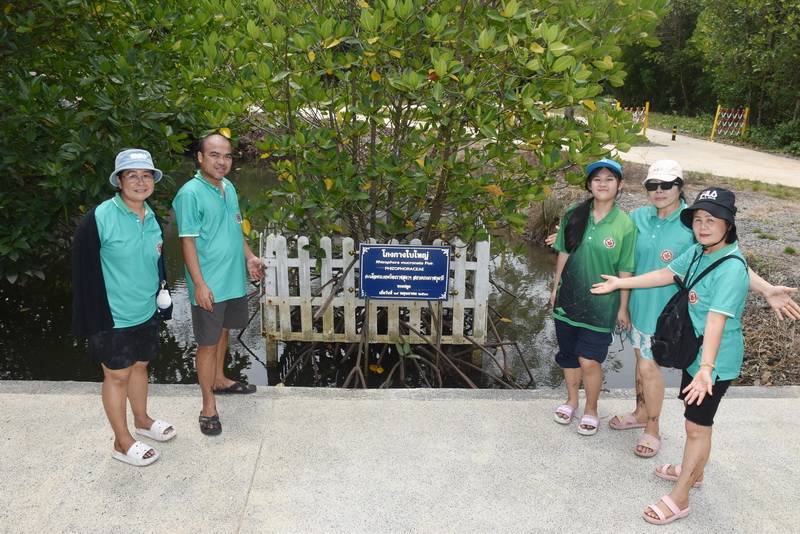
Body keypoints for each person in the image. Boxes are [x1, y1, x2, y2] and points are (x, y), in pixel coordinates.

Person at [548, 160, 800, 456]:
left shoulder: (695, 221)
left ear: (680, 187)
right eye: (653, 185)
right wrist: (571, 233)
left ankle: (652, 429)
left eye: (667, 185)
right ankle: (641, 412)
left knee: (649, 367)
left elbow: (727, 259)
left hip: (669, 314)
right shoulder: (639, 217)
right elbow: (606, 230)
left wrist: (766, 288)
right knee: (641, 362)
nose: (660, 190)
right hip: (637, 306)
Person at [591, 187, 751, 524]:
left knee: (697, 428)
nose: (703, 226)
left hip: (714, 361)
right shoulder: (700, 251)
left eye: (712, 219)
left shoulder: (731, 268)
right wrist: (621, 284)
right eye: (698, 219)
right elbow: (665, 274)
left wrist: (706, 369)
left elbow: (716, 321)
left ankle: (681, 498)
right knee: (694, 422)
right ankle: (693, 470)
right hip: (696, 352)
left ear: (729, 224)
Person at [72, 149, 176, 467]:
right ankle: (122, 441)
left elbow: (156, 264)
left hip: (146, 310)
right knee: (117, 376)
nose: (140, 182)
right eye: (132, 175)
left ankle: (142, 420)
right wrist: (91, 320)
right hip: (111, 316)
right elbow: (82, 273)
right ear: (119, 181)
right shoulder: (98, 218)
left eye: (146, 175)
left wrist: (161, 300)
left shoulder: (152, 216)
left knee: (141, 366)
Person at [173, 133, 265, 436]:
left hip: (232, 280)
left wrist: (249, 258)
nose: (221, 162)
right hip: (209, 284)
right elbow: (187, 242)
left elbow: (234, 228)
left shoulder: (228, 187)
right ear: (200, 157)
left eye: (226, 156)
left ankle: (220, 379)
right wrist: (199, 284)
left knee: (224, 331)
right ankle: (208, 406)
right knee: (207, 343)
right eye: (214, 155)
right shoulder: (190, 194)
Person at [550, 158, 637, 435]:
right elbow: (564, 251)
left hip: (602, 305)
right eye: (597, 179)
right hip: (568, 298)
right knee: (568, 355)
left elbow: (626, 268)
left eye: (609, 179)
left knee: (589, 359)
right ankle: (571, 401)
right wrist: (555, 287)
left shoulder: (625, 224)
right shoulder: (574, 214)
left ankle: (591, 408)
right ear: (589, 185)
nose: (602, 184)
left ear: (619, 185)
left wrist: (623, 307)